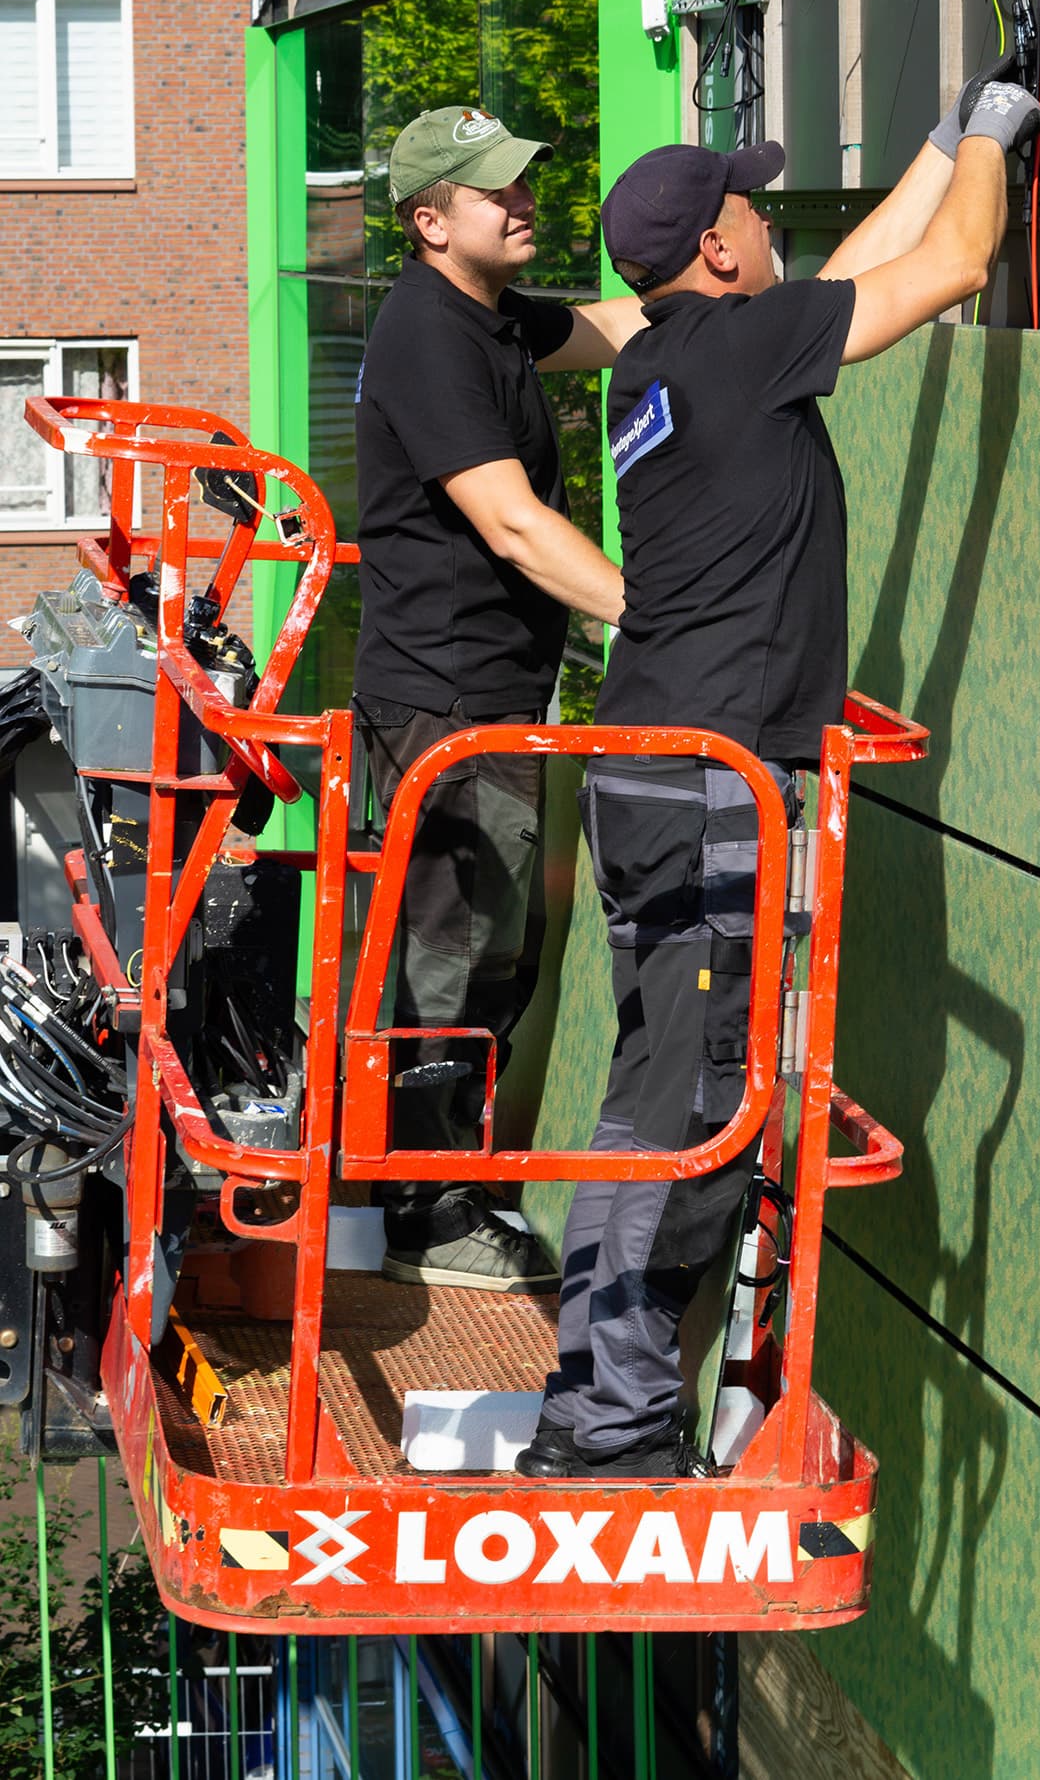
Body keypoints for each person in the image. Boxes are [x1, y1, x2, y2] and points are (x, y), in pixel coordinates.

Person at [516, 69, 1040, 1478]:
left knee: (653, 1094)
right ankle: (611, 1418)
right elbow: (955, 267)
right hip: (707, 788)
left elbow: (862, 274)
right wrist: (995, 143)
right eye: (750, 205)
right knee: (692, 1109)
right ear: (721, 251)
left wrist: (940, 140)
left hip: (658, 773)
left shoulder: (672, 362)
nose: (767, 219)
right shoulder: (736, 356)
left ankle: (597, 1392)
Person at [353, 104, 645, 1290]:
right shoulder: (427, 334)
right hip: (447, 709)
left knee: (485, 953)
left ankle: (434, 1197)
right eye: (494, 193)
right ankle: (422, 1215)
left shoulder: (488, 320)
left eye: (521, 183)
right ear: (429, 223)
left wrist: (779, 304)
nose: (523, 202)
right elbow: (515, 527)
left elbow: (621, 324)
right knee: (453, 960)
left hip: (484, 699)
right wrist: (658, 621)